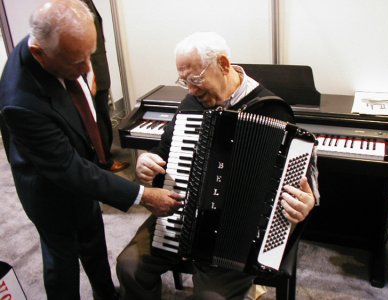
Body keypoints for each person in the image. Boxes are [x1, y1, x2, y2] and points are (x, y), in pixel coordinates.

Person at [0, 1, 182, 299]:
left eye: (90, 54)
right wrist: (142, 195)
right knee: (63, 260)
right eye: (76, 62)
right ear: (39, 54)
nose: (87, 68)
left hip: (82, 173)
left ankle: (106, 294)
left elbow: (80, 157)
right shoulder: (20, 102)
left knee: (94, 242)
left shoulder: (57, 43)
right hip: (51, 190)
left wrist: (81, 72)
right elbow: (68, 169)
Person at [116, 32, 319, 300]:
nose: (190, 90)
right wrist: (146, 161)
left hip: (236, 238)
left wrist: (307, 200)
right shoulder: (192, 104)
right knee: (129, 266)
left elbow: (304, 180)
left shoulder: (272, 111)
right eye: (184, 80)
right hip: (181, 216)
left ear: (223, 65)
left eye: (196, 80)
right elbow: (164, 151)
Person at [81, 0, 129, 173]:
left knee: (103, 115)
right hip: (91, 73)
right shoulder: (76, 3)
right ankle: (104, 162)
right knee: (98, 118)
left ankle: (105, 156)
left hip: (99, 70)